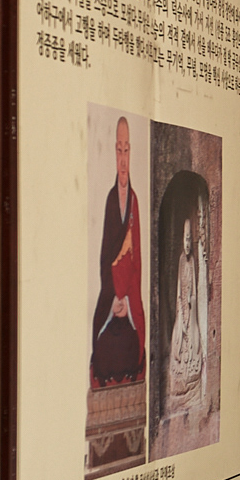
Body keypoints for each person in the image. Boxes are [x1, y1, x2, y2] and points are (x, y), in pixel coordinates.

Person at [90, 114, 145, 384]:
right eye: (119, 150)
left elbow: (137, 262)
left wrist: (127, 300)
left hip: (129, 298)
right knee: (100, 341)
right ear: (114, 152)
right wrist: (113, 300)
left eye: (127, 150)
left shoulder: (133, 200)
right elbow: (104, 259)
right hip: (111, 297)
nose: (123, 159)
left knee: (136, 343)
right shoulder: (112, 199)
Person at [165, 212, 206, 415]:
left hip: (192, 311)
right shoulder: (182, 260)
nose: (188, 243)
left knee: (194, 341)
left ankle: (192, 384)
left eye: (190, 239)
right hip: (182, 311)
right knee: (178, 340)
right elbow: (180, 291)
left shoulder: (192, 262)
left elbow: (194, 293)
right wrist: (182, 311)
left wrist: (192, 303)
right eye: (185, 239)